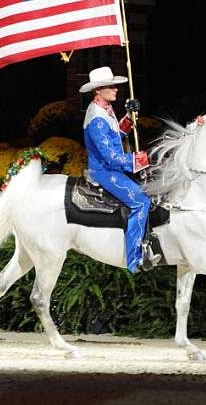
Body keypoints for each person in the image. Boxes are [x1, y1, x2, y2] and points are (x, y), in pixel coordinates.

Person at [79, 66, 161, 273]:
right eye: (111, 86)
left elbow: (117, 136)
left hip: (112, 168)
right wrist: (140, 159)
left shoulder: (105, 109)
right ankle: (135, 260)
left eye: (115, 85)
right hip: (105, 172)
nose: (116, 89)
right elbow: (111, 157)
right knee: (141, 202)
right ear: (98, 90)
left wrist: (128, 116)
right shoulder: (96, 117)